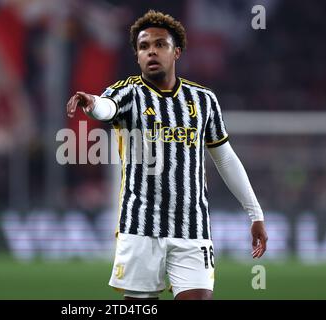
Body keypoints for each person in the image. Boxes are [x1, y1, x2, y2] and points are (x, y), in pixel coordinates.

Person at [66, 10, 268, 300]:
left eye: (160, 44)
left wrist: (255, 213)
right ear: (137, 56)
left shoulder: (203, 100)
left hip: (192, 230)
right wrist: (92, 103)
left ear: (177, 52)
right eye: (144, 46)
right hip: (140, 230)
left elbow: (224, 158)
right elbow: (106, 107)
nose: (151, 51)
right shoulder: (127, 93)